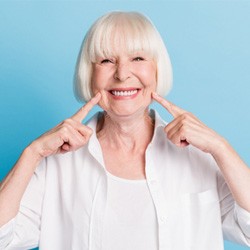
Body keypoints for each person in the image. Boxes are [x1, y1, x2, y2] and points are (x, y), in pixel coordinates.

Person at [0, 11, 249, 250]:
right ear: (89, 74)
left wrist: (221, 147)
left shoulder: (198, 155)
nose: (122, 74)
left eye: (138, 58)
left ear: (157, 70)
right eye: (107, 60)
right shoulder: (56, 163)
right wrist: (32, 153)